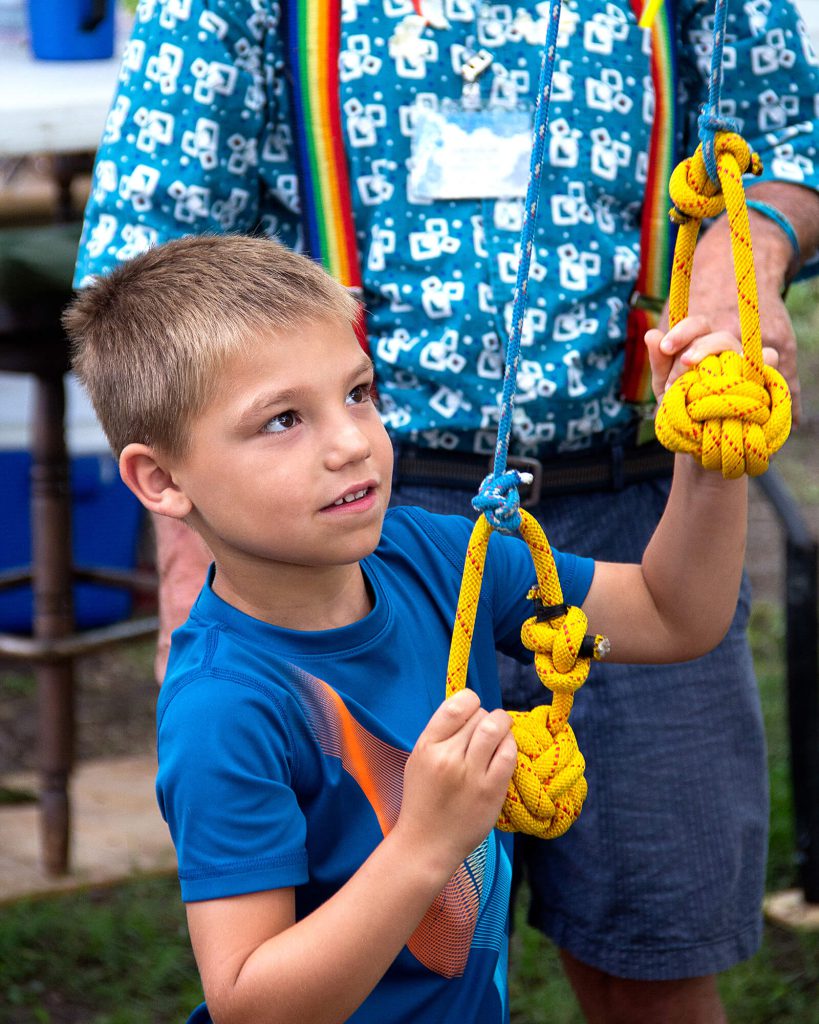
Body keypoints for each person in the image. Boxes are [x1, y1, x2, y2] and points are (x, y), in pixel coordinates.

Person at [72, 2, 819, 1020]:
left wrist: (711, 453)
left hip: (616, 479)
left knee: (659, 943)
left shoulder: (433, 555)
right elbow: (248, 1002)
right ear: (162, 481)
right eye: (283, 419)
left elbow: (671, 613)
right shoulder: (225, 705)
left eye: (361, 393)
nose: (346, 439)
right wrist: (427, 841)